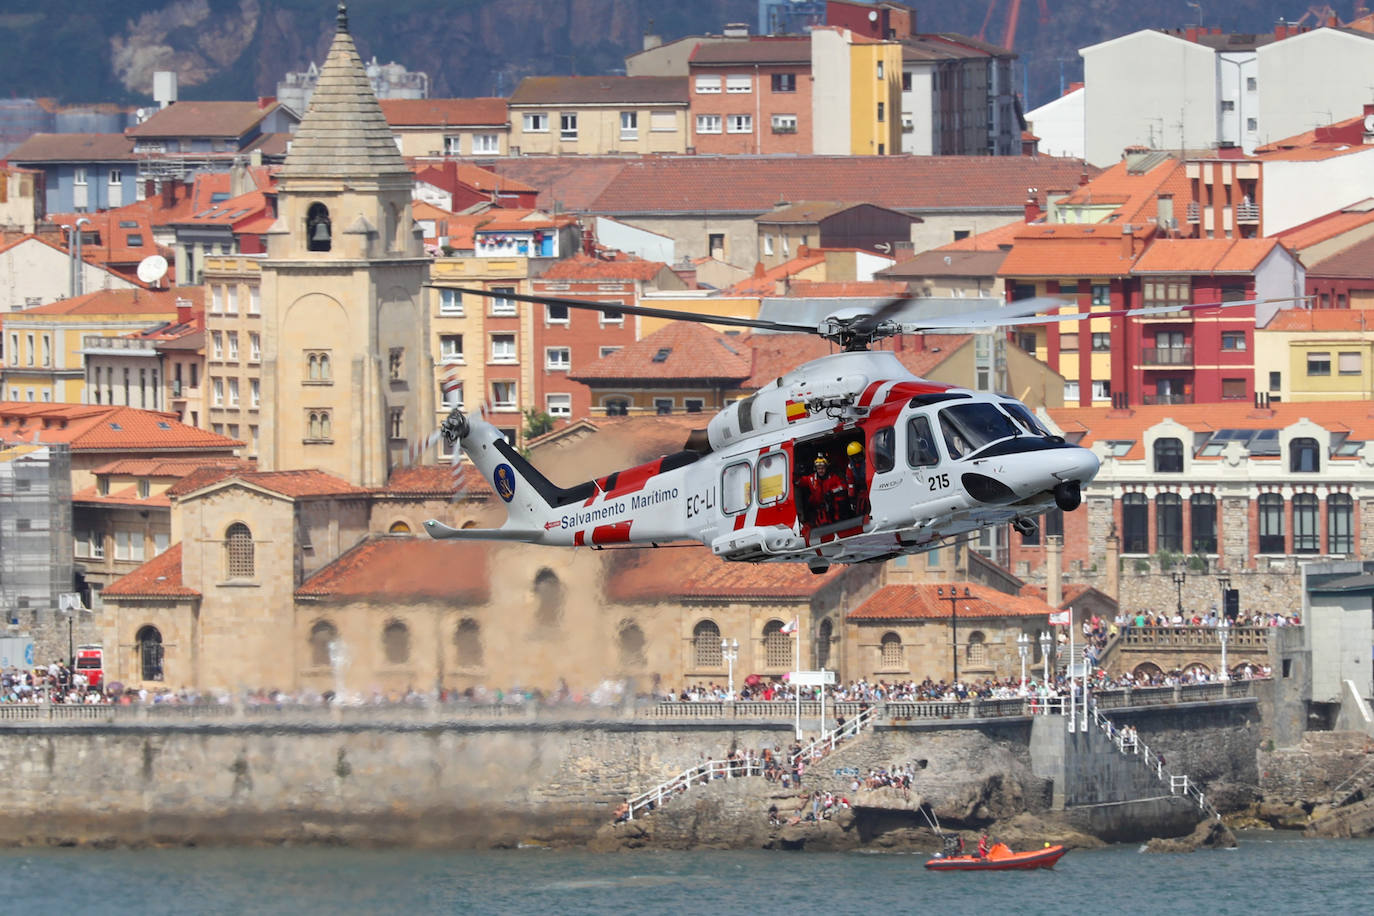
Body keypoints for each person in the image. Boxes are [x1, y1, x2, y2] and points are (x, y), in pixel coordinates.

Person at [797, 454, 847, 528]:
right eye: (818, 468)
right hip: (818, 509)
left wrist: (831, 492)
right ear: (816, 469)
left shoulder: (833, 477)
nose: (821, 470)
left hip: (832, 507)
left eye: (822, 468)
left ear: (826, 468)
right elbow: (799, 481)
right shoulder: (811, 479)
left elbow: (843, 487)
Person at [843, 440, 869, 519]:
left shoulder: (869, 460)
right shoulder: (850, 467)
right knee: (860, 509)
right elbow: (850, 483)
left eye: (858, 455)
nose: (857, 458)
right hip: (861, 491)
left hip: (871, 487)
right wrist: (852, 499)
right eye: (854, 457)